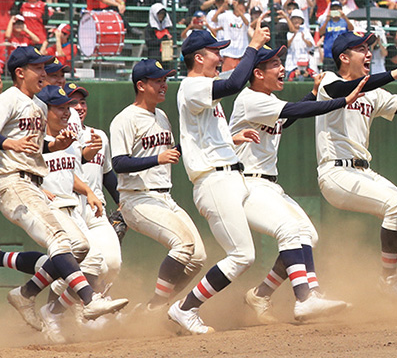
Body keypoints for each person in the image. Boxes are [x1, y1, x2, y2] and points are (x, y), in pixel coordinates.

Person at [0, 48, 128, 339]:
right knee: (61, 240)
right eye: (37, 68)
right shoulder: (9, 99)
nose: (44, 73)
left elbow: (32, 148)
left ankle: (25, 294)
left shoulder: (33, 105)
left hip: (30, 181)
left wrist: (53, 147)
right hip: (12, 182)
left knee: (79, 247)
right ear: (20, 73)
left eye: (44, 68)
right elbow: (14, 145)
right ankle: (89, 299)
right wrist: (8, 143)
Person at [230, 47, 363, 322]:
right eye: (275, 64)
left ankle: (261, 294)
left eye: (281, 62)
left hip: (268, 186)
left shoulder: (266, 100)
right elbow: (295, 111)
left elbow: (285, 118)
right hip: (246, 185)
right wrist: (342, 101)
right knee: (290, 231)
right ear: (257, 73)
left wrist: (313, 94)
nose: (282, 68)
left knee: (307, 236)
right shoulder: (250, 99)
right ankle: (305, 298)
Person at [170, 25, 269, 334]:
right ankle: (185, 308)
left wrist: (232, 137)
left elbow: (205, 131)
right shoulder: (192, 86)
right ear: (198, 58)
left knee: (290, 230)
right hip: (214, 182)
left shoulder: (203, 86)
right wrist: (252, 46)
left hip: (231, 177)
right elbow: (237, 81)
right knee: (242, 255)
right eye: (215, 51)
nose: (220, 55)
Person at [315, 31, 397, 292]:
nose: (368, 54)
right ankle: (387, 280)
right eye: (361, 49)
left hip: (364, 172)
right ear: (344, 57)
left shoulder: (374, 94)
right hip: (336, 172)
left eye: (369, 48)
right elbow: (341, 90)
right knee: (395, 204)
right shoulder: (328, 82)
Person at [110, 59, 206, 314]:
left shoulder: (161, 116)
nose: (164, 84)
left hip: (165, 197)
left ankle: (155, 306)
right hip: (136, 199)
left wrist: (229, 139)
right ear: (141, 85)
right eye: (157, 80)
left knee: (198, 258)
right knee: (183, 245)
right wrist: (157, 158)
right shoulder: (125, 119)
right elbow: (119, 163)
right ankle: (155, 308)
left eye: (165, 79)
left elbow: (173, 152)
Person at [65, 83, 123, 297]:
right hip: (71, 207)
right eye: (72, 103)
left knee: (113, 264)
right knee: (90, 265)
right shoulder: (57, 140)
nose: (79, 107)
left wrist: (121, 201)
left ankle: (96, 303)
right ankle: (67, 308)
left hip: (96, 207)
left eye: (82, 102)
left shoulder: (98, 135)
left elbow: (107, 173)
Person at [318, 1, 353, 71]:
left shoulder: (344, 22)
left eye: (337, 9)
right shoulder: (327, 22)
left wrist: (345, 17)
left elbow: (351, 28)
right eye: (333, 9)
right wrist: (327, 20)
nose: (335, 11)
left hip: (341, 54)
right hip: (329, 55)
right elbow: (321, 32)